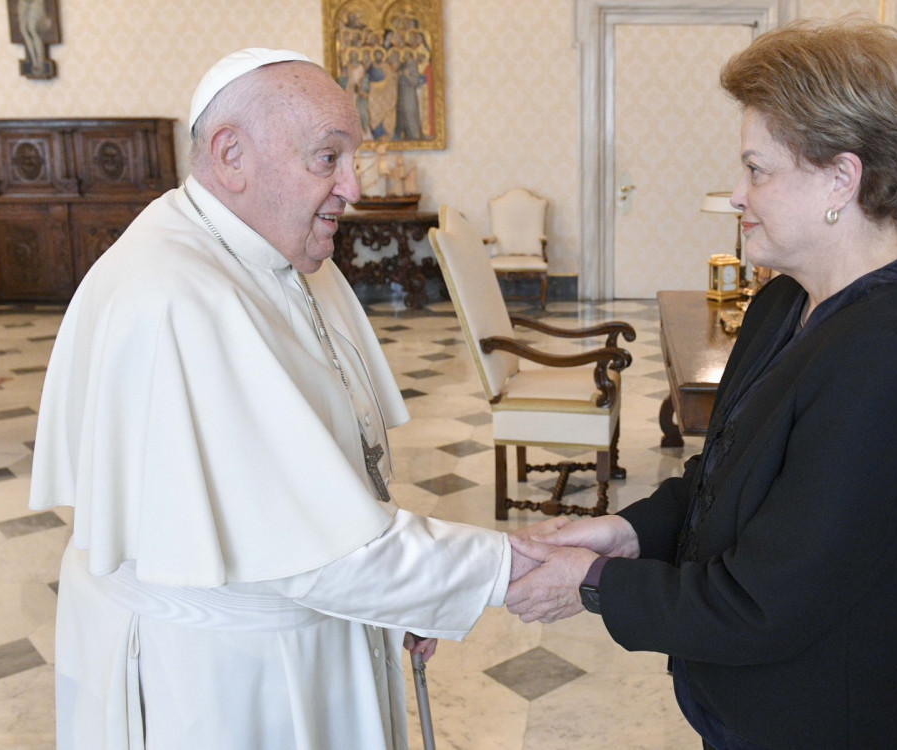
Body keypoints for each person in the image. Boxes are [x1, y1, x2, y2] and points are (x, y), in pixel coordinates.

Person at [30, 48, 534, 750]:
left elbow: (328, 478)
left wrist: (411, 593)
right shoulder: (177, 296)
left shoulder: (283, 252)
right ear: (232, 155)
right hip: (226, 680)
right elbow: (313, 555)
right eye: (328, 158)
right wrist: (509, 570)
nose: (352, 187)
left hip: (306, 631)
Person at [506, 19, 897, 750]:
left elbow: (766, 603)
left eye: (757, 169)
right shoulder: (784, 302)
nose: (736, 194)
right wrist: (628, 532)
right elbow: (729, 481)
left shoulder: (895, 357)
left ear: (841, 178)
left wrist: (594, 581)